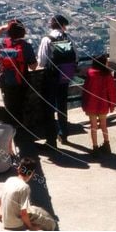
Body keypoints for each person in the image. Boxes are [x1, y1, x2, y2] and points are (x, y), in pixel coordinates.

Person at [37, 14, 78, 148]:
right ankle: (63, 133)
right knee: (62, 105)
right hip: (65, 76)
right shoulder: (68, 38)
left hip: (51, 76)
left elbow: (42, 62)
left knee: (48, 107)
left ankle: (51, 139)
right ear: (63, 26)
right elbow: (75, 57)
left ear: (52, 24)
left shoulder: (47, 39)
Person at [0, 19, 37, 131]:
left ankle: (10, 131)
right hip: (21, 82)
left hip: (5, 81)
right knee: (21, 106)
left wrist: (3, 27)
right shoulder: (25, 46)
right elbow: (33, 66)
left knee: (9, 106)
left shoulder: (2, 42)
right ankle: (22, 131)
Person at [0, 157, 55, 231]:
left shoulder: (10, 180)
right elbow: (23, 213)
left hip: (5, 221)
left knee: (34, 209)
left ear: (19, 168)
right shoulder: (25, 187)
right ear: (31, 173)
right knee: (50, 221)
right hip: (16, 225)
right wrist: (31, 227)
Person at [81, 54, 116, 155]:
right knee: (104, 125)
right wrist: (112, 105)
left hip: (91, 104)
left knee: (93, 126)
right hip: (103, 103)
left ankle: (95, 148)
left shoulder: (90, 73)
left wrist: (84, 104)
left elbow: (85, 90)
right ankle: (107, 145)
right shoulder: (107, 74)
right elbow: (111, 91)